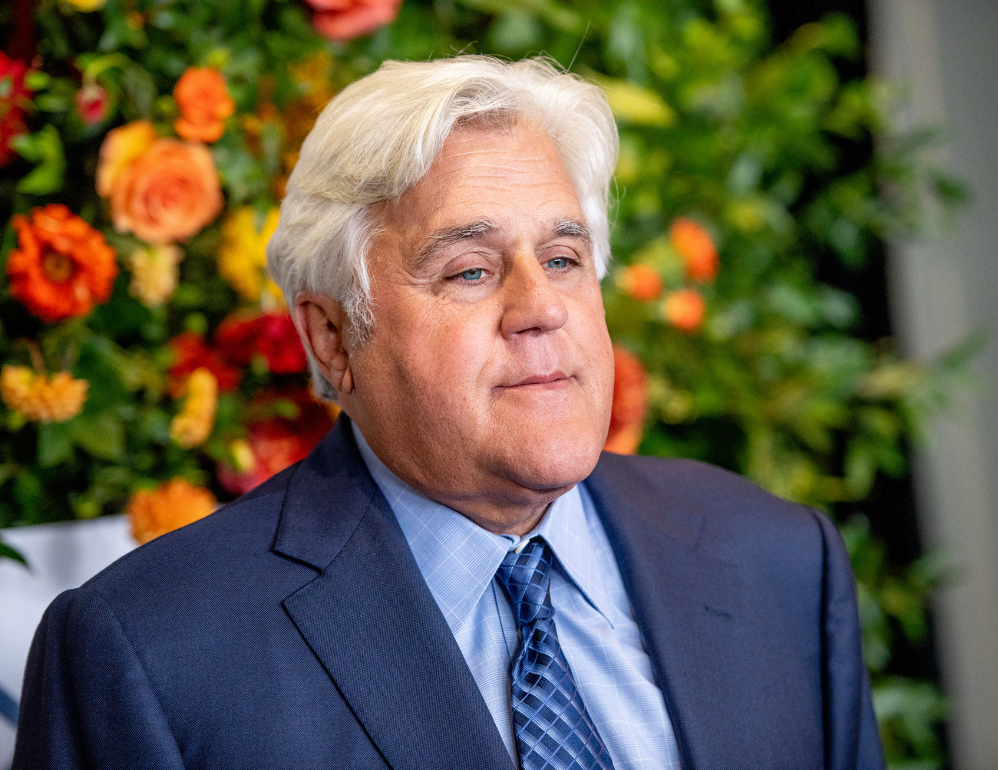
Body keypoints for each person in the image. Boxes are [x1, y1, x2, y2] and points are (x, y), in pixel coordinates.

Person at [14, 56, 885, 770]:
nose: (539, 306)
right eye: (470, 270)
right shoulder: (149, 654)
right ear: (332, 341)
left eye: (563, 257)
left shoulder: (777, 560)